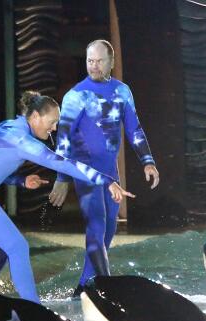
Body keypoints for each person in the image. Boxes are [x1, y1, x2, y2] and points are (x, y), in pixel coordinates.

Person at [0, 90, 132, 321]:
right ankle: (35, 313)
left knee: (0, 252)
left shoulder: (10, 127)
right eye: (52, 122)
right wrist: (107, 180)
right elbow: (62, 163)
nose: (54, 128)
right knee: (18, 247)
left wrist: (20, 181)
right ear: (35, 116)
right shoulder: (23, 141)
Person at [48, 39, 160, 297]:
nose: (94, 66)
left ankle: (84, 287)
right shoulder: (75, 96)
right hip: (85, 170)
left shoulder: (122, 91)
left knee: (109, 228)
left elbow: (134, 129)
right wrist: (62, 177)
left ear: (111, 62)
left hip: (110, 171)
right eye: (90, 61)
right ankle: (106, 287)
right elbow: (63, 138)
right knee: (96, 224)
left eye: (99, 61)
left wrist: (148, 161)